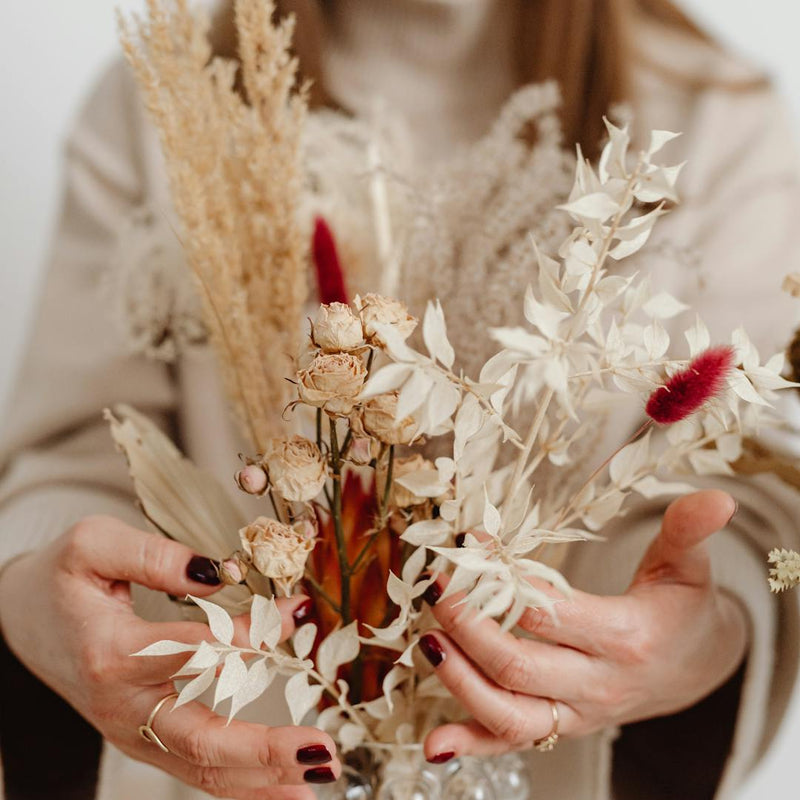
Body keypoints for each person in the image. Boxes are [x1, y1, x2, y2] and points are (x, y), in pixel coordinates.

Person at [1, 1, 800, 799]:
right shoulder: (172, 94)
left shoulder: (712, 118)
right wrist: (31, 593)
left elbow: (742, 482)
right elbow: (85, 456)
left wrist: (710, 630)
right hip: (233, 762)